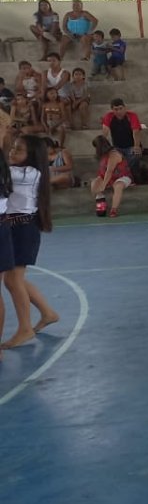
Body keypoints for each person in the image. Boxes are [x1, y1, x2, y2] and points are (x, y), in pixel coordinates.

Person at [0, 135, 56, 351]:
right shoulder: (23, 171)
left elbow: (4, 172)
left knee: (13, 281)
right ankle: (47, 313)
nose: (13, 152)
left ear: (31, 156)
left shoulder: (28, 173)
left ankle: (25, 328)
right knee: (15, 280)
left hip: (23, 229)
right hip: (15, 227)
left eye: (19, 150)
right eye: (13, 148)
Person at [91, 135, 131, 218]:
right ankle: (101, 202)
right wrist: (99, 185)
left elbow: (109, 171)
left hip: (121, 176)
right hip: (107, 177)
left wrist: (103, 185)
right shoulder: (103, 155)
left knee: (118, 186)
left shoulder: (114, 154)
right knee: (94, 183)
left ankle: (114, 209)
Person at [101, 98, 143, 176]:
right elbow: (105, 131)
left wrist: (136, 146)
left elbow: (136, 132)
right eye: (116, 109)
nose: (119, 112)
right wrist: (103, 146)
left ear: (125, 108)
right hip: (117, 147)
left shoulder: (132, 116)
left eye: (121, 108)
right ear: (112, 110)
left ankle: (128, 175)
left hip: (131, 146)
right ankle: (122, 174)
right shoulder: (109, 116)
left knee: (135, 156)